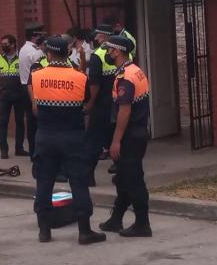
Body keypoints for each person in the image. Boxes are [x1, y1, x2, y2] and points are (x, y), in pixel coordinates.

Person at [28, 35, 107, 245]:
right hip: (73, 136)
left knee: (44, 182)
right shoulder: (80, 77)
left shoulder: (37, 76)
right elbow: (86, 102)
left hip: (45, 136)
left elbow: (35, 107)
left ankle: (44, 230)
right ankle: (84, 231)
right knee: (79, 182)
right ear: (66, 53)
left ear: (49, 53)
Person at [99, 35, 152, 238]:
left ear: (118, 51)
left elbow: (124, 111)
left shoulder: (126, 78)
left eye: (110, 50)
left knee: (134, 179)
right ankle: (116, 218)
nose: (108, 53)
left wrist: (116, 140)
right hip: (137, 133)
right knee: (123, 178)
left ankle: (142, 224)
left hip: (130, 135)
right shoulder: (135, 71)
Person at [85, 24, 117, 185]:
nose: (96, 38)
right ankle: (120, 173)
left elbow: (94, 83)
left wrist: (90, 102)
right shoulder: (122, 51)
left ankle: (89, 175)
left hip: (102, 104)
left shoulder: (97, 55)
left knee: (94, 140)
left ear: (104, 36)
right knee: (117, 138)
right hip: (118, 102)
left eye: (98, 35)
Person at [0, 34, 29, 160]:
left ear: (13, 44)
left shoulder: (21, 58)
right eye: (2, 44)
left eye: (6, 44)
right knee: (3, 122)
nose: (3, 46)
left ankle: (19, 148)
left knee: (20, 122)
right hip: (4, 95)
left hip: (19, 94)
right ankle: (3, 150)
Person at [18, 23, 46, 158]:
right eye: (41, 35)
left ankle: (32, 151)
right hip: (33, 88)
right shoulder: (36, 52)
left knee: (30, 121)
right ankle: (38, 152)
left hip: (24, 86)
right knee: (38, 121)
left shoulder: (23, 49)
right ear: (35, 36)